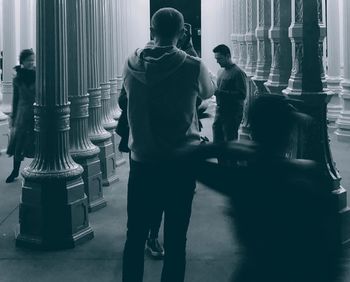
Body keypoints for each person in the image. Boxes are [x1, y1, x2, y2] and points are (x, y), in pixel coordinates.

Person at [178, 94, 342, 282]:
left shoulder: (243, 180)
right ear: (288, 135)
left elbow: (186, 159)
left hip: (256, 271)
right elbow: (329, 255)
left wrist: (227, 147)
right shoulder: (307, 179)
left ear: (253, 132)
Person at [121, 7, 214, 282]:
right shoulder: (192, 65)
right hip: (179, 163)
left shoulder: (130, 63)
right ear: (182, 32)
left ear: (152, 30)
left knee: (135, 235)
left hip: (142, 161)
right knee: (176, 239)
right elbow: (209, 91)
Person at [6, 49, 36, 183]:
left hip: (36, 113)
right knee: (19, 143)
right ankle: (15, 171)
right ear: (22, 61)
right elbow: (15, 99)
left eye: (33, 60)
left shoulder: (38, 75)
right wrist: (13, 116)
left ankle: (39, 169)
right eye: (29, 60)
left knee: (37, 142)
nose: (31, 62)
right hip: (22, 114)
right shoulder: (18, 78)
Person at [212, 44, 246, 146]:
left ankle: (231, 162)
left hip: (232, 114)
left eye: (219, 58)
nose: (217, 61)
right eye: (216, 59)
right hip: (219, 111)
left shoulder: (238, 73)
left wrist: (220, 93)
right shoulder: (220, 71)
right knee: (217, 142)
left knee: (229, 144)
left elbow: (242, 95)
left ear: (227, 56)